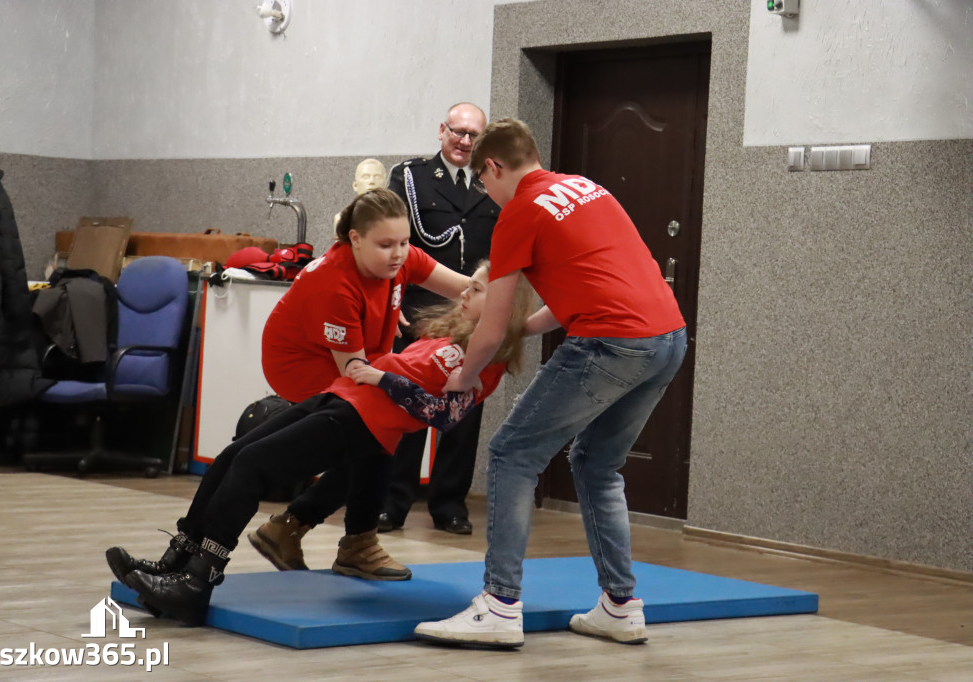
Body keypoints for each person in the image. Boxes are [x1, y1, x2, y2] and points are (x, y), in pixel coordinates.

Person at [106, 262, 535, 627]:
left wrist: (384, 377)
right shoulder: (456, 335)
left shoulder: (486, 363)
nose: (466, 290)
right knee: (234, 455)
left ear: (500, 306)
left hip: (361, 420)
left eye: (477, 289)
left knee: (252, 466)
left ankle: (200, 579)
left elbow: (443, 416)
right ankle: (176, 560)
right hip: (343, 395)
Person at [413, 118, 687, 649]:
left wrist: (461, 380)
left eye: (483, 182)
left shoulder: (519, 211)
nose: (487, 195)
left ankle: (498, 604)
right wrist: (510, 334)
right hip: (668, 340)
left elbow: (490, 330)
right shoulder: (587, 188)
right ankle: (621, 606)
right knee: (595, 462)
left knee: (511, 453)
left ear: (494, 166)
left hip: (611, 343)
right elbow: (568, 300)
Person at [106, 188, 467, 587]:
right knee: (366, 432)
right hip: (305, 365)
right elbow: (355, 372)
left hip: (361, 365)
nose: (398, 254)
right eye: (386, 245)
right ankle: (209, 551)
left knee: (365, 436)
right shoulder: (335, 283)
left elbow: (469, 289)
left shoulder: (396, 258)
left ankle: (290, 535)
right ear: (355, 239)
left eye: (404, 243)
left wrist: (509, 292)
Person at [380, 101, 499, 536]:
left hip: (472, 314)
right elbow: (390, 244)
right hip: (419, 310)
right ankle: (392, 502)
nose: (464, 141)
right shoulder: (409, 178)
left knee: (464, 409)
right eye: (457, 132)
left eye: (473, 136)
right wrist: (387, 305)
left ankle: (449, 504)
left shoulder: (495, 183)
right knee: (407, 400)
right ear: (441, 131)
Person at [333, 158, 387, 231]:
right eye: (366, 177)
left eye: (377, 177)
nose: (371, 181)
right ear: (355, 185)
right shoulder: (342, 219)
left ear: (385, 185)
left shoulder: (397, 219)